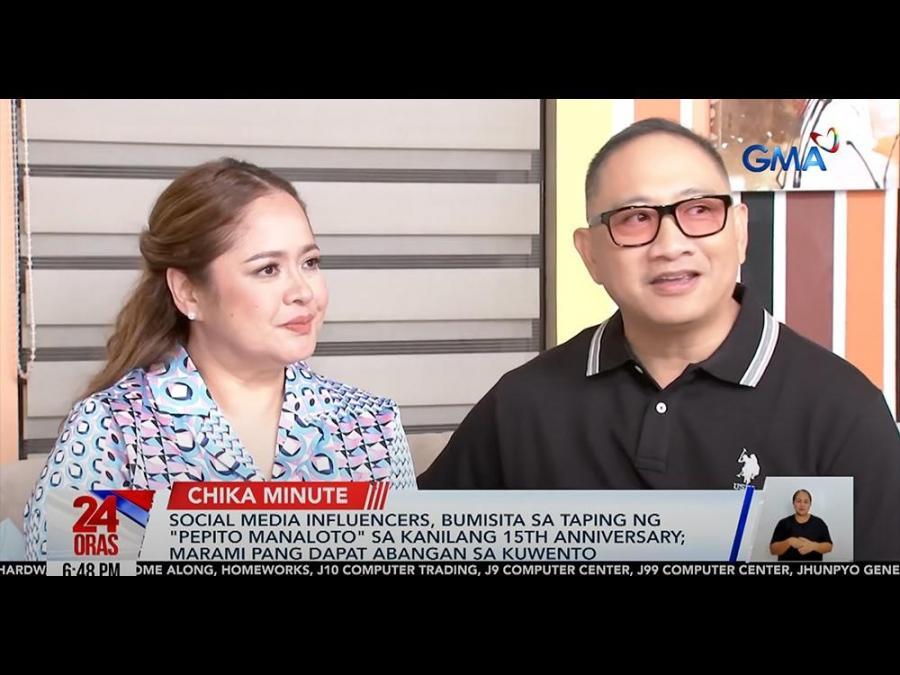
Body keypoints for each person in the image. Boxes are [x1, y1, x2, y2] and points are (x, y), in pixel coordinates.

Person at [418, 118, 900, 560]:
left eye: (699, 210)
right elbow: (415, 545)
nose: (670, 246)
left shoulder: (839, 412)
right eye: (635, 218)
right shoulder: (522, 403)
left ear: (739, 232)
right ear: (590, 254)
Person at [24, 158, 417, 560]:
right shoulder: (112, 429)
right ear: (188, 292)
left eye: (310, 262)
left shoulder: (372, 425)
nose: (303, 292)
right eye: (268, 269)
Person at [770, 490, 833, 561]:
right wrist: (789, 542)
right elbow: (773, 550)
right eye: (798, 501)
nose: (802, 505)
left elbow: (829, 547)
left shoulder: (819, 523)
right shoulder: (783, 523)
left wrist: (813, 546)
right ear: (793, 503)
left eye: (806, 502)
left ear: (810, 504)